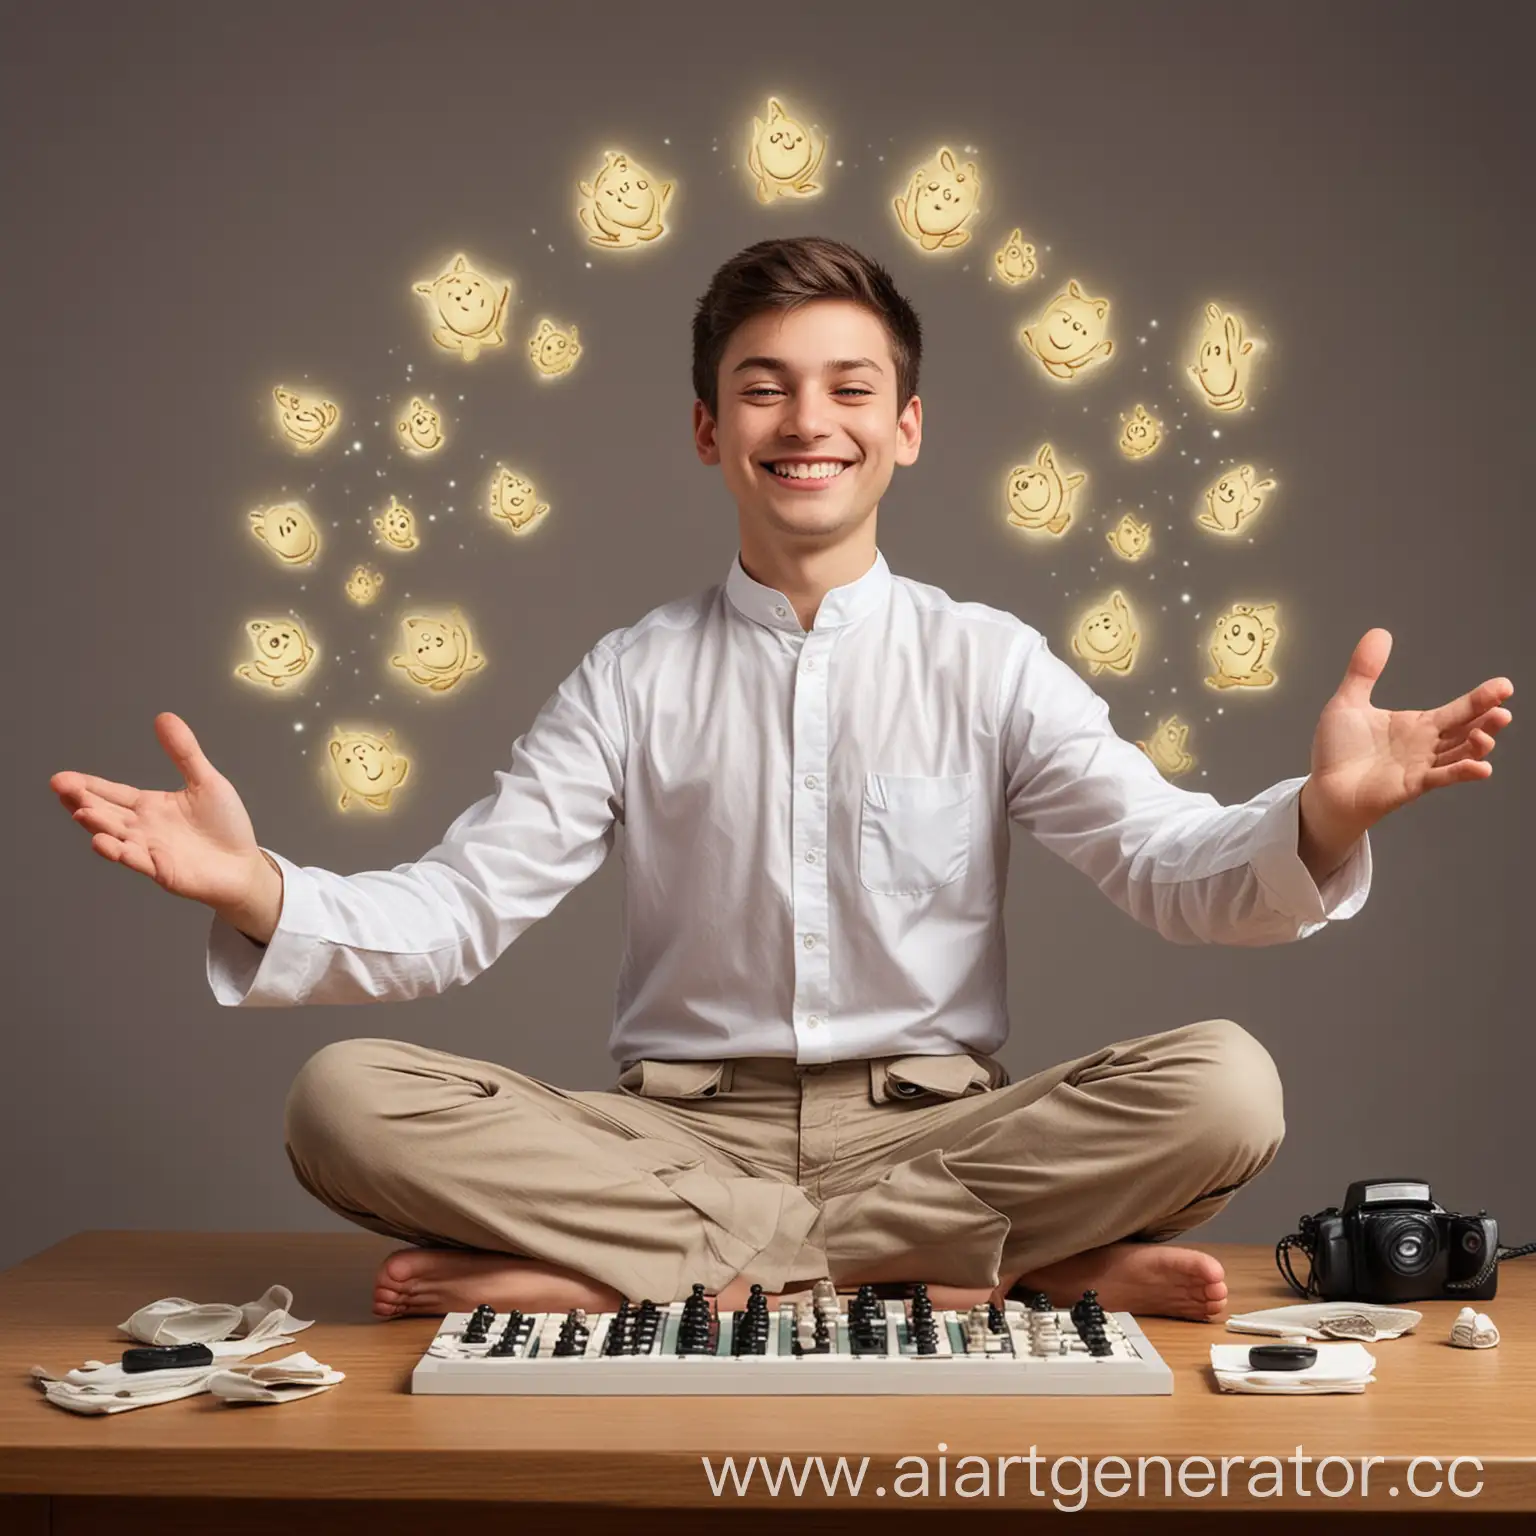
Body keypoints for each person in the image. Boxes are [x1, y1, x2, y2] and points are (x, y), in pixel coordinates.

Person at [52, 237, 1513, 1325]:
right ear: (709, 431)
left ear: (906, 428)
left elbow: (1169, 866)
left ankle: (643, 1287)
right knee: (343, 1101)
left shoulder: (991, 661)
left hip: (941, 1130)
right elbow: (455, 914)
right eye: (763, 389)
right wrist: (257, 889)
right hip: (670, 1135)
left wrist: (1325, 816)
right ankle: (973, 1281)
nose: (805, 419)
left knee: (1228, 1085)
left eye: (846, 388)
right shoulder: (630, 674)